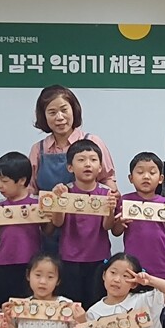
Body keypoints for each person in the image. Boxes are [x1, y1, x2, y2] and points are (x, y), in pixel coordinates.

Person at [28, 85, 116, 254]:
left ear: (74, 110)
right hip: (50, 228)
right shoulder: (38, 149)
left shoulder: (92, 142)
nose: (59, 117)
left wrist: (112, 199)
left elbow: (107, 179)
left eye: (64, 110)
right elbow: (30, 191)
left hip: (89, 232)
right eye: (52, 112)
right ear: (43, 116)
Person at [48, 140, 119, 308]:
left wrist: (110, 209)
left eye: (93, 160)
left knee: (96, 303)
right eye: (81, 160)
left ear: (100, 167)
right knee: (71, 305)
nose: (88, 164)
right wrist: (58, 201)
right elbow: (57, 223)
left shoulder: (106, 193)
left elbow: (107, 227)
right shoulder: (65, 191)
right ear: (70, 167)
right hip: (69, 258)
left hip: (98, 257)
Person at [0, 152, 51, 304]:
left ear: (22, 180)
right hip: (3, 262)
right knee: (2, 304)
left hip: (30, 262)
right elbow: (1, 234)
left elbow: (47, 231)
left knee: (28, 305)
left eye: (4, 181)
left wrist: (51, 217)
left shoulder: (37, 203)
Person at [112, 152, 165, 280]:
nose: (146, 177)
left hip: (160, 264)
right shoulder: (125, 201)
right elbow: (116, 232)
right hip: (131, 265)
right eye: (140, 172)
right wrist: (119, 223)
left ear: (161, 178)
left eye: (152, 173)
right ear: (131, 178)